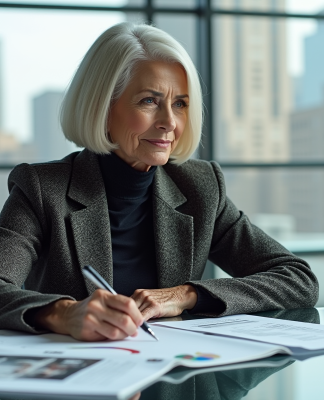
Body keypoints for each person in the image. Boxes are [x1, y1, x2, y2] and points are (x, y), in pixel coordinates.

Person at [0, 22, 318, 342]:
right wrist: (65, 313)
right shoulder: (42, 188)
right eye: (149, 101)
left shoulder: (201, 186)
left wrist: (185, 294)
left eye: (180, 103)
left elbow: (298, 280)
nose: (169, 122)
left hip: (172, 374)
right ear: (103, 107)